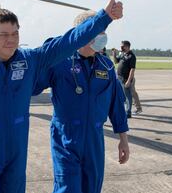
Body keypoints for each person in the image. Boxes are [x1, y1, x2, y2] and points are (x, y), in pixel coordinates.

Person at [0, 0, 123, 193]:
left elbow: (69, 41)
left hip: (16, 154)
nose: (11, 40)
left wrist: (104, 17)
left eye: (15, 33)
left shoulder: (30, 60)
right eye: (4, 35)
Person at [33, 10, 129, 193]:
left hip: (94, 139)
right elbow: (32, 86)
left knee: (92, 187)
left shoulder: (106, 65)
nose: (103, 37)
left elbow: (116, 104)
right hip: (66, 137)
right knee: (67, 188)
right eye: (99, 31)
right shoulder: (59, 61)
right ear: (84, 32)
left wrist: (123, 139)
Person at [111, 40, 140, 118]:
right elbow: (116, 62)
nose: (121, 47)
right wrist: (114, 55)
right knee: (122, 95)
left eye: (122, 46)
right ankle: (124, 110)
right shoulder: (122, 54)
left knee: (127, 96)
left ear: (127, 47)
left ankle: (128, 112)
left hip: (125, 78)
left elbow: (132, 69)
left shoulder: (131, 56)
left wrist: (128, 81)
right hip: (119, 77)